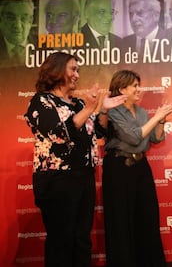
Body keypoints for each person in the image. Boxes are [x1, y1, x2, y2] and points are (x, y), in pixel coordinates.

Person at [24, 52, 127, 266]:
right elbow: (59, 133)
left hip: (84, 177)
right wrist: (91, 108)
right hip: (57, 179)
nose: (77, 75)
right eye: (72, 69)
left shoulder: (78, 104)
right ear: (57, 70)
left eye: (78, 70)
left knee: (81, 240)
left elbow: (98, 132)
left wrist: (104, 111)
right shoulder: (41, 101)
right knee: (61, 240)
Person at [102, 69, 172, 266]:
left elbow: (156, 137)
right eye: (135, 86)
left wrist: (161, 119)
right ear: (121, 88)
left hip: (141, 168)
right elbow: (133, 138)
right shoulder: (113, 113)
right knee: (121, 222)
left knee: (147, 217)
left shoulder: (142, 112)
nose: (138, 90)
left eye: (138, 85)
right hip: (119, 169)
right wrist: (156, 116)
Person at [0, 0, 35, 67]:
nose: (17, 25)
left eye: (24, 18)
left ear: (31, 21)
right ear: (2, 19)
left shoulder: (45, 47)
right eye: (11, 18)